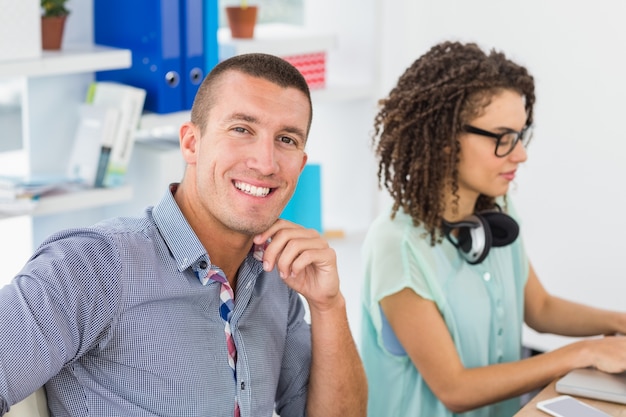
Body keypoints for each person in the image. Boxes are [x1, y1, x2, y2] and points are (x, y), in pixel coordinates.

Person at [0, 53, 367, 417]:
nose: (266, 162)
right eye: (241, 129)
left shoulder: (278, 279)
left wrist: (328, 306)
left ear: (300, 163)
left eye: (286, 139)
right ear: (192, 143)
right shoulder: (92, 265)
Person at [360, 41, 626, 417]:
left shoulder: (497, 212)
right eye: (503, 138)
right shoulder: (397, 246)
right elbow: (454, 388)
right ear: (445, 139)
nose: (520, 154)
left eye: (521, 136)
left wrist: (620, 322)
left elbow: (540, 308)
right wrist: (586, 351)